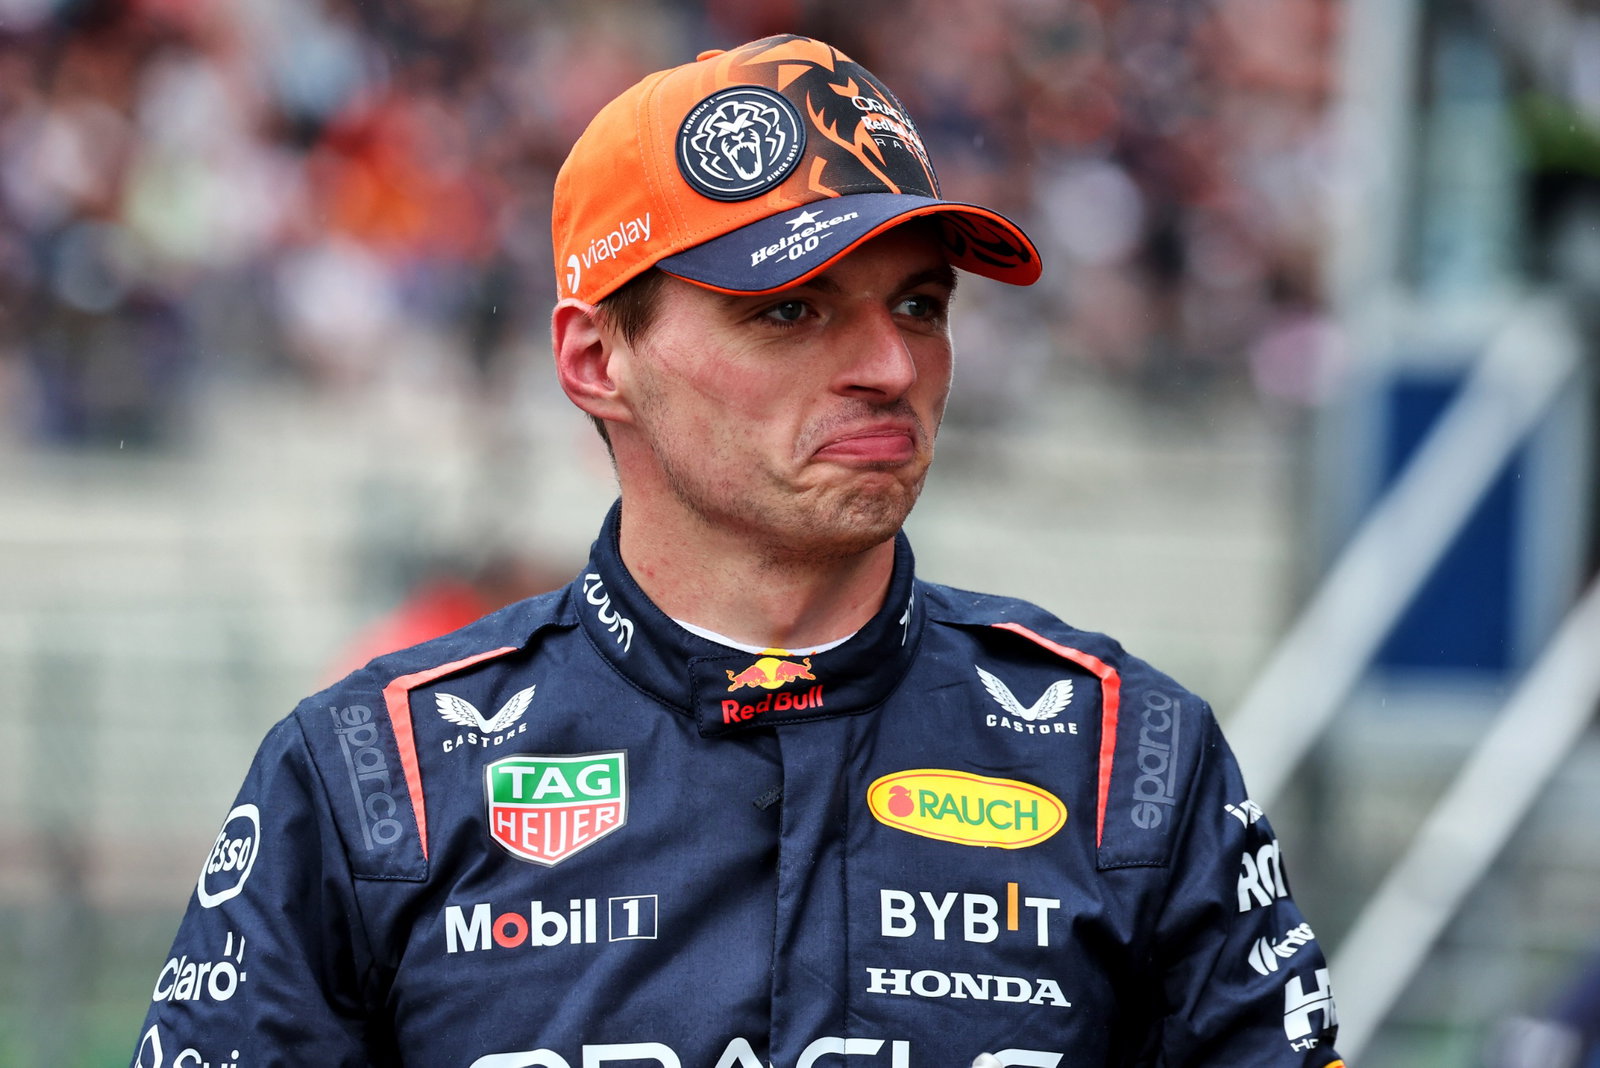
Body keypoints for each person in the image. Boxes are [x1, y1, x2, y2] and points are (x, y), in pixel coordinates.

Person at [132, 34, 1345, 1068]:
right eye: (791, 309)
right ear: (596, 360)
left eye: (919, 305)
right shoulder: (370, 777)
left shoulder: (1127, 756)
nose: (889, 367)